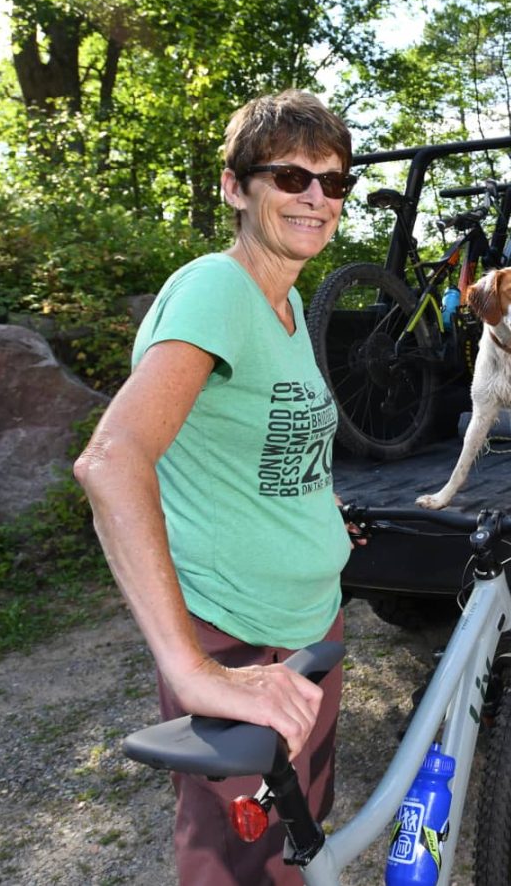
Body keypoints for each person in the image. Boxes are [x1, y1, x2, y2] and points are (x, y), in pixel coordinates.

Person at [74, 88, 364, 884]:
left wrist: (319, 512)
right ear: (237, 189)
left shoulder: (290, 301)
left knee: (297, 843)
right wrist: (196, 670)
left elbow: (261, 443)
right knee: (240, 865)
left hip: (308, 626)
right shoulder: (216, 289)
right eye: (290, 176)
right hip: (235, 633)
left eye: (334, 182)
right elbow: (111, 460)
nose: (316, 196)